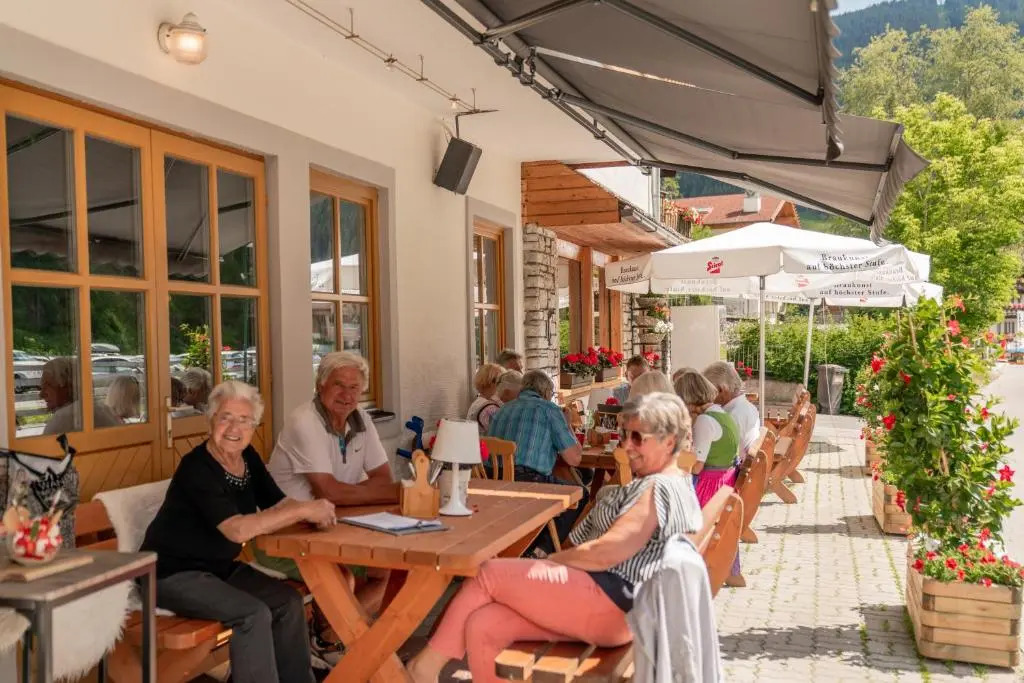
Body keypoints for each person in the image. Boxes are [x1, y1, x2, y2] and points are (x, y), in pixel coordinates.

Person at [407, 392, 703, 683]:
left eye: (638, 438)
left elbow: (606, 553)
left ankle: (424, 668)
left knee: (488, 573)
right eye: (626, 436)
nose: (627, 445)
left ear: (669, 441)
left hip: (612, 605)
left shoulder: (657, 488)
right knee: (484, 623)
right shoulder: (676, 482)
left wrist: (550, 560)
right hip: (623, 608)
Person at [140, 381, 336, 683]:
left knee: (287, 603)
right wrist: (302, 511)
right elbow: (236, 530)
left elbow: (278, 502)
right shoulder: (197, 467)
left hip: (217, 570)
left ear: (254, 426)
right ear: (210, 421)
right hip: (169, 574)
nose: (234, 428)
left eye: (244, 420)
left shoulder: (247, 458)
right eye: (226, 417)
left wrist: (315, 512)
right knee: (252, 614)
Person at [268, 351, 397, 506]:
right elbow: (327, 493)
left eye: (354, 387)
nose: (346, 395)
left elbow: (384, 479)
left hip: (337, 512)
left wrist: (343, 494)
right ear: (320, 386)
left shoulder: (361, 418)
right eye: (338, 385)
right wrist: (390, 493)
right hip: (290, 518)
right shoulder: (304, 421)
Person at [486, 370, 586, 555]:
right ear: (546, 392)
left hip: (492, 481)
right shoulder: (549, 410)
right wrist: (567, 424)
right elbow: (574, 459)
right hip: (527, 482)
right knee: (579, 495)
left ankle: (528, 547)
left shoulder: (503, 409)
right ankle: (541, 550)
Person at [675, 368, 744, 586]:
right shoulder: (722, 414)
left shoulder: (705, 421)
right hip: (725, 481)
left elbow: (696, 466)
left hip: (710, 485)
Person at [40, 357, 119, 434]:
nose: (41, 395)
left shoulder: (63, 419)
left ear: (70, 385)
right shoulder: (107, 412)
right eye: (41, 387)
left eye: (48, 385)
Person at [703, 361, 761, 455]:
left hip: (736, 462)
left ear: (722, 389)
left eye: (708, 391)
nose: (707, 396)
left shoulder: (731, 417)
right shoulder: (749, 407)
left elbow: (720, 455)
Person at [467, 363, 505, 433]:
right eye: (502, 382)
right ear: (492, 382)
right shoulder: (489, 407)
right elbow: (502, 430)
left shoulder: (479, 402)